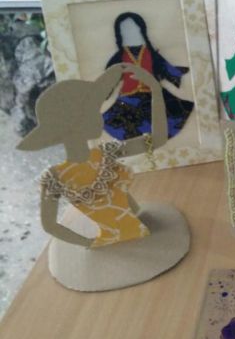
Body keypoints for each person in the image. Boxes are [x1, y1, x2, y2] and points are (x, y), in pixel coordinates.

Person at [17, 64, 168, 248]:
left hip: (144, 234)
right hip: (114, 246)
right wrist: (89, 244)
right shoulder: (55, 177)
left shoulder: (106, 154)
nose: (100, 117)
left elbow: (157, 139)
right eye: (92, 111)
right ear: (73, 123)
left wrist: (156, 92)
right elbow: (49, 225)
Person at [103, 12, 194, 140]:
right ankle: (138, 141)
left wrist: (175, 72)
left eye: (135, 31)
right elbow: (111, 74)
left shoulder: (150, 53)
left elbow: (163, 65)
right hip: (128, 95)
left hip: (152, 92)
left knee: (164, 113)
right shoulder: (120, 56)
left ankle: (155, 137)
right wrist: (105, 90)